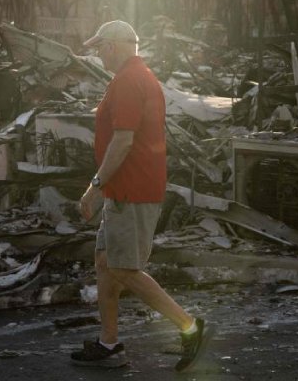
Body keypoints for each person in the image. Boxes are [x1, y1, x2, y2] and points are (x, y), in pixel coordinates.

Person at [69, 20, 214, 372]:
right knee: (105, 261)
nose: (98, 54)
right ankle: (109, 344)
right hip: (125, 189)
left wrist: (95, 187)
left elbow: (123, 140)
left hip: (130, 192)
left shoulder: (130, 81)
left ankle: (190, 327)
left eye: (100, 47)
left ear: (115, 46)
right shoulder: (133, 77)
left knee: (123, 268)